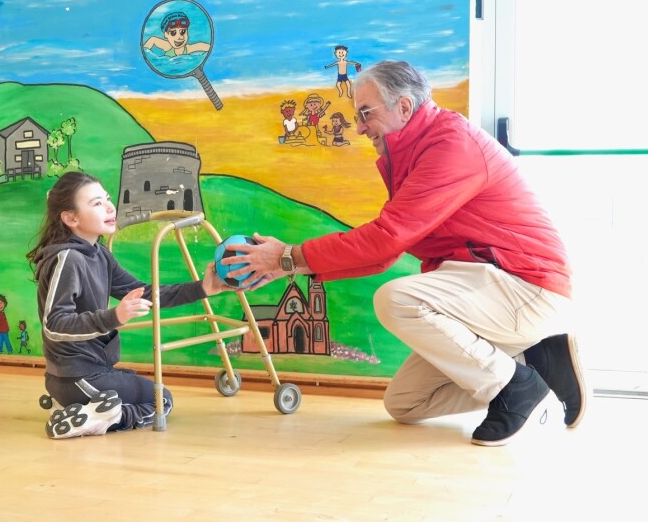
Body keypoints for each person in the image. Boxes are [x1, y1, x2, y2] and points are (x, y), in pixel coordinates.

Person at [223, 60, 586, 447]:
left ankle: (514, 385)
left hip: (525, 287)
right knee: (405, 404)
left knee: (395, 299)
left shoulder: (451, 145)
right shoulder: (416, 152)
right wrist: (290, 266)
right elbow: (386, 252)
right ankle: (535, 362)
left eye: (365, 113)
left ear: (405, 108)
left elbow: (386, 238)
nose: (360, 127)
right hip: (488, 288)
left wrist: (290, 256)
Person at [26, 171, 231, 440]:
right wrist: (114, 316)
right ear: (70, 218)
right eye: (97, 203)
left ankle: (85, 410)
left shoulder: (99, 254)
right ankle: (98, 417)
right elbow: (54, 325)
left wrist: (202, 288)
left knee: (144, 390)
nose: (110, 207)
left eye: (108, 199)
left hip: (87, 376)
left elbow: (145, 292)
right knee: (162, 401)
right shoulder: (68, 259)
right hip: (77, 377)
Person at [143, 11, 211, 57]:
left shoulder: (189, 48)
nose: (179, 37)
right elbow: (152, 40)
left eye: (183, 32)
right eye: (173, 33)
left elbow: (208, 47)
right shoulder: (168, 46)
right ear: (166, 34)